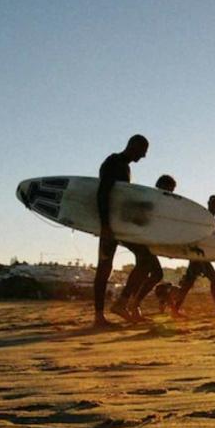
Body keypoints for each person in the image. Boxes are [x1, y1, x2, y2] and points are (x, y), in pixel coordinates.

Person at [92, 134, 150, 327]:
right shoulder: (113, 162)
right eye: (142, 152)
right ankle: (99, 317)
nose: (143, 157)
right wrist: (105, 226)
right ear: (133, 146)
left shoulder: (125, 166)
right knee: (104, 268)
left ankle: (121, 304)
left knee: (145, 260)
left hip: (122, 226)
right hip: (110, 225)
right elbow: (103, 194)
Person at [111, 174, 176, 321]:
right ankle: (124, 303)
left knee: (156, 273)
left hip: (138, 237)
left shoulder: (159, 203)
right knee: (145, 265)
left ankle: (133, 306)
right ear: (162, 186)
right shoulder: (150, 199)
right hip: (131, 235)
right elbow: (136, 217)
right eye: (170, 190)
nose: (170, 194)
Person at [172, 194, 215, 317]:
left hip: (201, 255)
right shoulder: (201, 218)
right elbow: (190, 234)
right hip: (198, 255)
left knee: (188, 283)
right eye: (213, 202)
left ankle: (175, 310)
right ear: (208, 203)